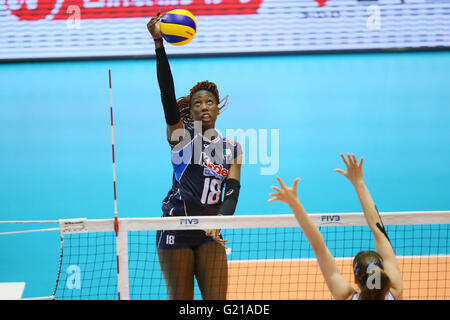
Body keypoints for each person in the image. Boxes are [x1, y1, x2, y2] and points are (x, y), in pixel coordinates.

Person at [147, 12, 243, 300]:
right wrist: (158, 45)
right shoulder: (181, 139)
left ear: (217, 109)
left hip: (209, 233)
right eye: (198, 102)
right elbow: (167, 96)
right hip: (175, 227)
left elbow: (232, 192)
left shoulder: (233, 148)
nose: (204, 106)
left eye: (209, 102)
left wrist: (220, 221)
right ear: (193, 109)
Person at [268, 153, 403, 300]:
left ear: (357, 279)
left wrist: (294, 204)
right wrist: (359, 182)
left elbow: (319, 247)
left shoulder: (345, 296)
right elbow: (379, 230)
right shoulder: (396, 291)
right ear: (383, 273)